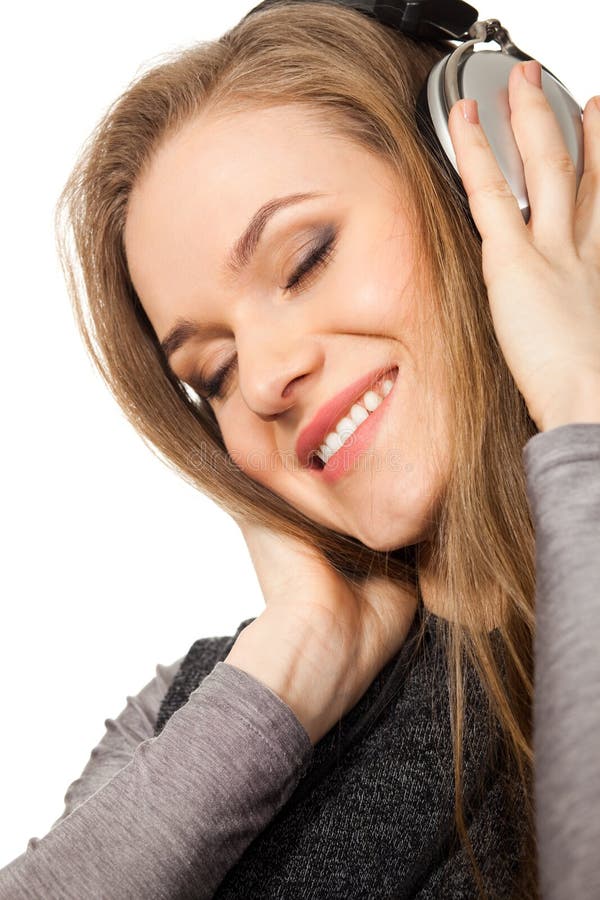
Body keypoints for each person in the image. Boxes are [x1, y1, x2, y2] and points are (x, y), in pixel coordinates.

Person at [1, 2, 599, 898]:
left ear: (488, 183)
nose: (269, 378)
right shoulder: (193, 714)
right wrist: (293, 667)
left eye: (305, 258)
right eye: (217, 371)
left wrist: (582, 408)